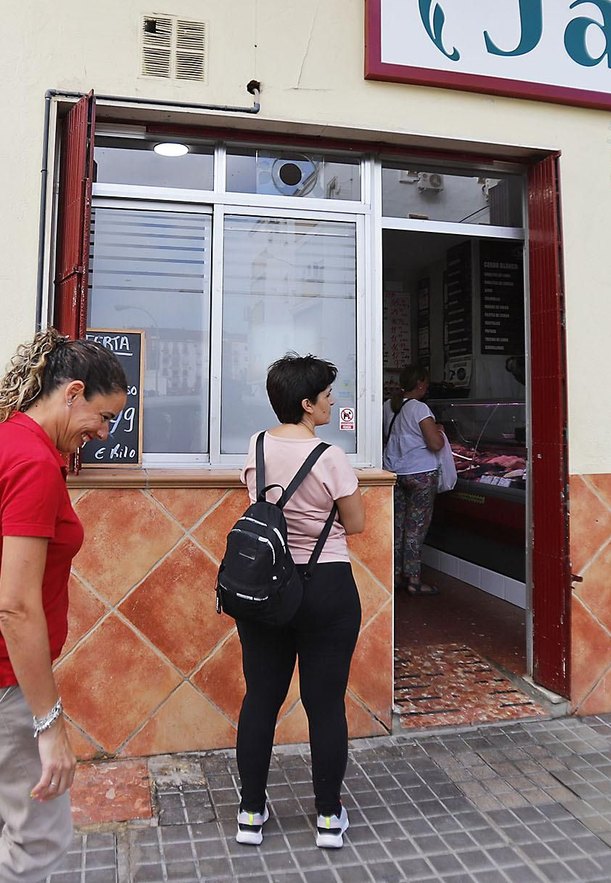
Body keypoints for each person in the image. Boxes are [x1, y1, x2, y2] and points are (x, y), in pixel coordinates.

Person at [0, 330, 127, 883]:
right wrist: (49, 723)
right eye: (103, 418)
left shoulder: (3, 440)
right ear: (73, 393)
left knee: (2, 820)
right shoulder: (33, 463)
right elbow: (14, 607)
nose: (103, 434)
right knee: (39, 838)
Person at [233, 354, 366, 850]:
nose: (333, 402)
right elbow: (355, 524)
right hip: (326, 585)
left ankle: (250, 813)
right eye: (327, 395)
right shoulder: (330, 456)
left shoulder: (256, 445)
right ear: (307, 404)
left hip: (266, 585)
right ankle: (329, 818)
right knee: (325, 703)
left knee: (261, 699)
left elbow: (254, 498)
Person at [382, 364, 445, 595]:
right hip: (421, 473)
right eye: (426, 383)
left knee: (398, 526)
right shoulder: (420, 409)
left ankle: (396, 574)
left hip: (395, 473)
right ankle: (414, 579)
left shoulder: (387, 406)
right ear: (419, 384)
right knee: (415, 528)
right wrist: (439, 431)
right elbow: (435, 444)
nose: (427, 387)